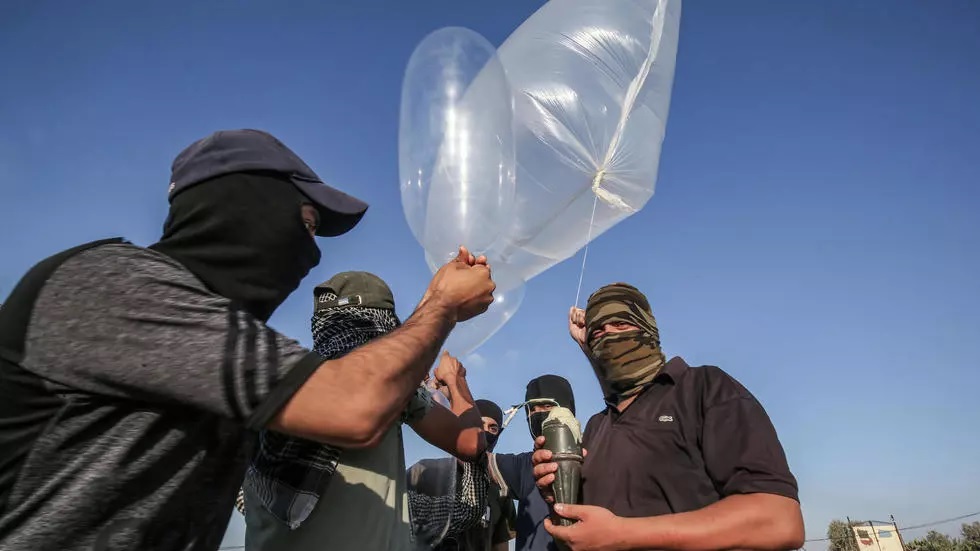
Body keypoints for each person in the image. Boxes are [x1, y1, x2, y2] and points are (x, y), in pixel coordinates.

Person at [0, 129, 496, 550]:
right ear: (245, 206)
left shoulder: (240, 356)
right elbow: (359, 404)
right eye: (305, 225)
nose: (311, 257)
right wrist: (442, 308)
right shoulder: (109, 287)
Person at [531, 283, 804, 551]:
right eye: (598, 331)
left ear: (648, 328)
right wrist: (557, 500)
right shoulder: (596, 427)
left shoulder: (703, 388)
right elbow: (582, 537)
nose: (608, 336)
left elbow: (779, 520)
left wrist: (623, 534)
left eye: (621, 325)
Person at [242, 271, 490, 551]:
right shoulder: (391, 392)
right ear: (386, 326)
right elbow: (470, 442)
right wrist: (456, 381)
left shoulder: (275, 383)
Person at [486, 375, 577, 551]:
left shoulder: (596, 459)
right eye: (532, 409)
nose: (538, 413)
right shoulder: (523, 465)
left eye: (547, 406)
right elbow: (474, 457)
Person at [425, 398, 516, 551]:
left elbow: (500, 546)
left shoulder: (500, 489)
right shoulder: (425, 472)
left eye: (493, 428)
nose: (485, 431)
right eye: (479, 424)